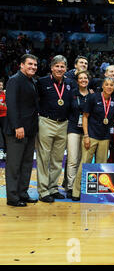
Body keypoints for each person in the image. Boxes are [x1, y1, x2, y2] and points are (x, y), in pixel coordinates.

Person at [71, 78, 114, 201]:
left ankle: (98, 192)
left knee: (102, 166)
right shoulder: (93, 98)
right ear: (102, 86)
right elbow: (85, 117)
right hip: (91, 136)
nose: (109, 87)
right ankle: (76, 191)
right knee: (85, 163)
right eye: (107, 84)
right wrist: (85, 136)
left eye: (112, 85)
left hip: (105, 137)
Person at [36, 55, 72, 203]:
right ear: (51, 67)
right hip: (46, 122)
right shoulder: (42, 82)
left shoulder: (70, 83)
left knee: (57, 159)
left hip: (63, 124)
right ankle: (43, 191)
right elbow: (35, 101)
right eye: (57, 66)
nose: (59, 69)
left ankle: (53, 188)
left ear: (66, 68)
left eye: (62, 66)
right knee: (44, 158)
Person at [4, 54, 39, 207]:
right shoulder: (14, 80)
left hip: (30, 130)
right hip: (17, 130)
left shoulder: (31, 82)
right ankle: (12, 197)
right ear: (21, 65)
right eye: (30, 64)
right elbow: (11, 105)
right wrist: (17, 126)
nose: (33, 67)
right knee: (14, 165)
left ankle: (22, 193)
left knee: (26, 164)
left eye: (35, 65)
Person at [65, 70, 90, 199]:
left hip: (86, 131)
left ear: (88, 80)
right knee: (73, 160)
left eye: (85, 78)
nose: (83, 80)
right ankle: (70, 187)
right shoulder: (72, 94)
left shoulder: (92, 95)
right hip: (73, 129)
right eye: (81, 78)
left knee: (82, 160)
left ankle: (79, 187)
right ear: (77, 81)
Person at [0, 79, 7, 160]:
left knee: (4, 134)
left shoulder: (5, 94)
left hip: (4, 116)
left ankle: (5, 152)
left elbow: (7, 104)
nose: (0, 87)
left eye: (1, 85)